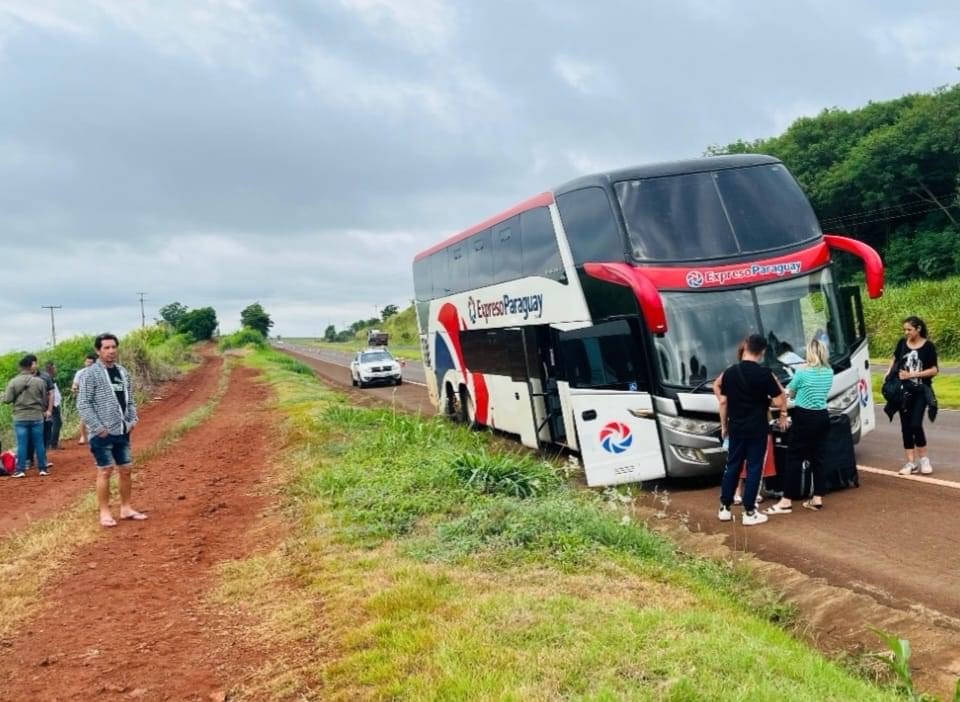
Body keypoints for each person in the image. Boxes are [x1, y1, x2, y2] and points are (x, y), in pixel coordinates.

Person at [717, 334, 788, 526]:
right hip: (757, 428)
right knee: (755, 467)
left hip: (736, 427)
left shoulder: (730, 372)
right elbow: (779, 400)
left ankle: (724, 507)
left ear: (746, 347)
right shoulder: (764, 374)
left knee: (732, 466)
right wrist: (781, 412)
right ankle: (749, 511)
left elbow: (723, 402)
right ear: (763, 352)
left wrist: (724, 426)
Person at [77, 333, 146, 527]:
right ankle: (105, 512)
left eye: (113, 347)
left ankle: (126, 508)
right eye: (106, 348)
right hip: (102, 433)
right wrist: (98, 428)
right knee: (105, 470)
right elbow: (83, 404)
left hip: (123, 430)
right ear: (98, 351)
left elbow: (130, 399)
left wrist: (133, 419)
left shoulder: (122, 372)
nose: (111, 351)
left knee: (126, 469)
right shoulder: (90, 374)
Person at [764, 338, 834, 514]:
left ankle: (786, 500)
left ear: (809, 353)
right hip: (823, 416)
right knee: (818, 458)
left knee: (794, 458)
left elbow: (789, 392)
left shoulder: (802, 373)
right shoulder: (829, 372)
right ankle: (817, 497)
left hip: (804, 416)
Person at [885, 316, 938, 475]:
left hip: (921, 390)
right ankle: (910, 463)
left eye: (909, 329)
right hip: (903, 391)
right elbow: (895, 358)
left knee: (915, 424)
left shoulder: (928, 347)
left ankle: (924, 459)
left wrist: (913, 374)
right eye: (905, 330)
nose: (906, 332)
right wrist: (889, 372)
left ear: (918, 329)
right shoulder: (902, 343)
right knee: (906, 427)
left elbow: (934, 370)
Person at [1, 354, 52, 478]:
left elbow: (7, 400)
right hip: (36, 416)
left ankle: (20, 470)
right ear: (31, 367)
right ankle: (43, 468)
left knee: (22, 444)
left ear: (20, 368)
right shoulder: (40, 381)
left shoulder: (13, 382)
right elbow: (44, 399)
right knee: (39, 442)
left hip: (20, 417)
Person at [72, 353, 97, 444]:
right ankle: (83, 436)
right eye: (87, 362)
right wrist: (74, 389)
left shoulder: (98, 373)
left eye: (90, 362)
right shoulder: (80, 372)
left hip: (96, 398)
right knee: (84, 417)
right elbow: (75, 384)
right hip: (84, 398)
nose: (88, 364)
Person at [42, 361, 63, 450]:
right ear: (51, 369)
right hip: (52, 404)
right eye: (54, 368)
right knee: (57, 422)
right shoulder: (48, 378)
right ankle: (53, 443)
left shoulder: (48, 378)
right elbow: (50, 392)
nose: (56, 370)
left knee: (54, 423)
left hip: (53, 403)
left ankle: (51, 442)